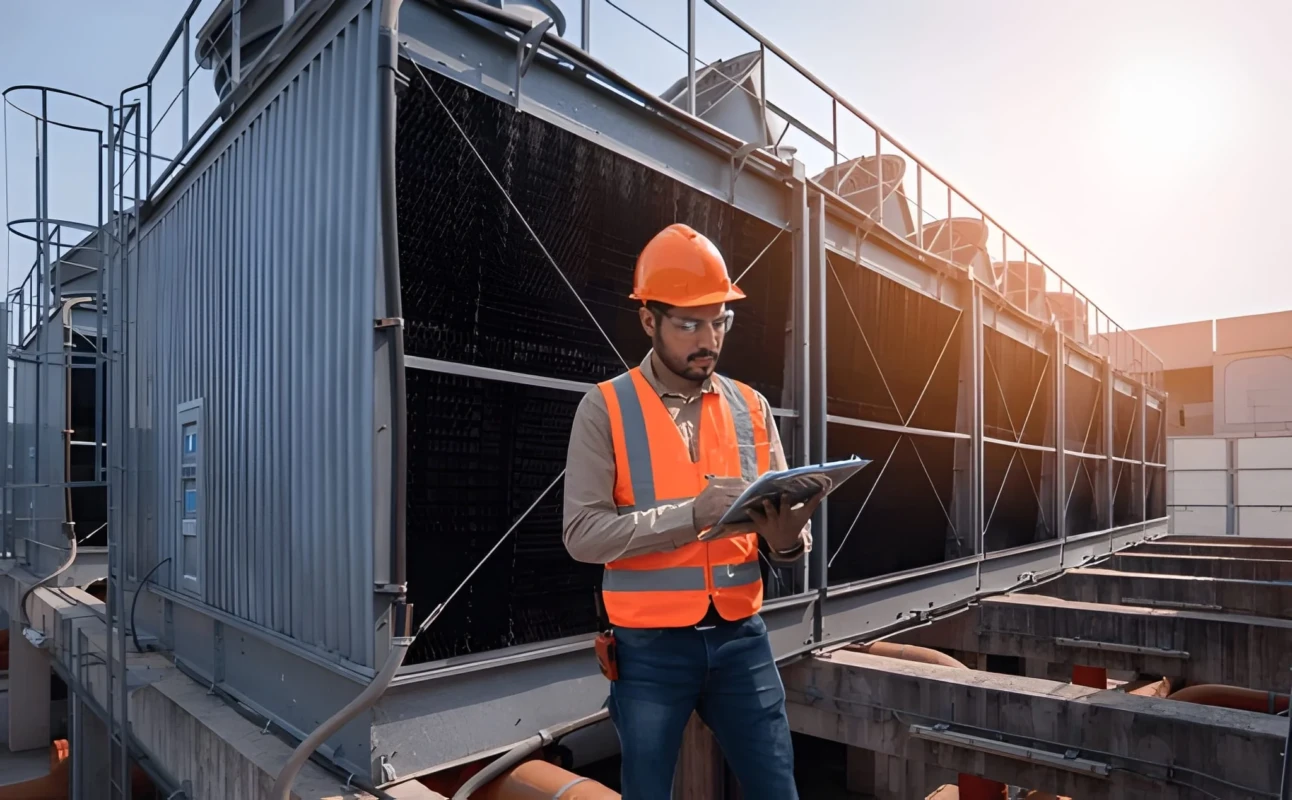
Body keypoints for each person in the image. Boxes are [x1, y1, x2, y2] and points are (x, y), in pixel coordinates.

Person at [562, 223, 824, 799]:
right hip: (649, 650)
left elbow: (779, 543)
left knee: (777, 788)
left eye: (719, 321)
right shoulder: (604, 408)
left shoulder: (751, 406)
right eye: (689, 323)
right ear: (648, 320)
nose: (708, 338)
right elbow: (581, 535)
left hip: (741, 639)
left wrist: (785, 542)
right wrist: (691, 515)